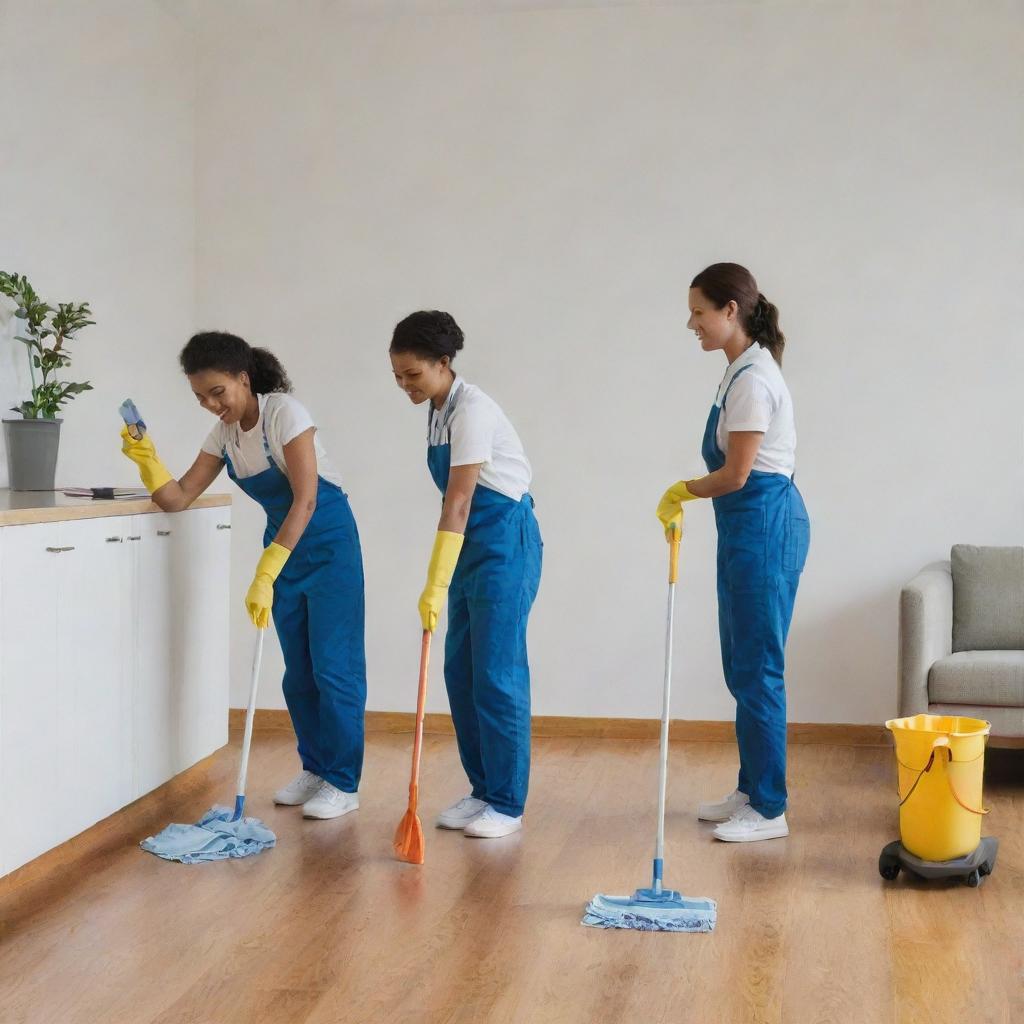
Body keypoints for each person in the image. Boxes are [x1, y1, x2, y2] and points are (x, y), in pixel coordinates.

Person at [120, 331, 366, 819]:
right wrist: (145, 457)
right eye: (200, 397)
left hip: (329, 546)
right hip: (282, 551)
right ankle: (315, 768)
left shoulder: (285, 414)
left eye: (219, 392)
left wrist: (267, 568)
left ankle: (343, 782)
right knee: (298, 673)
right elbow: (177, 498)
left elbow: (308, 498)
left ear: (243, 378)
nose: (212, 404)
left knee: (333, 669)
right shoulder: (224, 435)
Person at [657, 264, 810, 842]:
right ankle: (751, 788)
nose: (691, 322)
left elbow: (738, 474)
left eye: (699, 311)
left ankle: (770, 809)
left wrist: (681, 491)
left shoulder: (752, 378)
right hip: (746, 527)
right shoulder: (738, 369)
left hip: (765, 523)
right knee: (742, 663)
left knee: (759, 668)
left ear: (731, 311)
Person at [390, 311, 543, 839]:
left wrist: (434, 581)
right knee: (461, 671)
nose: (405, 386)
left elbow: (458, 501)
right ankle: (482, 789)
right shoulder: (437, 408)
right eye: (398, 377)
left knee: (497, 674)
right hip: (469, 546)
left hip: (504, 542)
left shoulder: (472, 410)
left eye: (414, 375)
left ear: (443, 363)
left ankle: (507, 801)